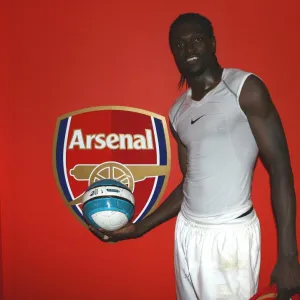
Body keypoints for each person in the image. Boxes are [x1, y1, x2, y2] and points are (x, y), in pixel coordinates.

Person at [87, 13, 300, 300]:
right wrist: (139, 228)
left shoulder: (244, 89)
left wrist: (288, 256)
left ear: (212, 43)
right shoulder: (177, 111)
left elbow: (281, 170)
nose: (188, 50)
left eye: (196, 40)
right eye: (179, 45)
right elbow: (190, 183)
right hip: (187, 232)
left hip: (229, 235)